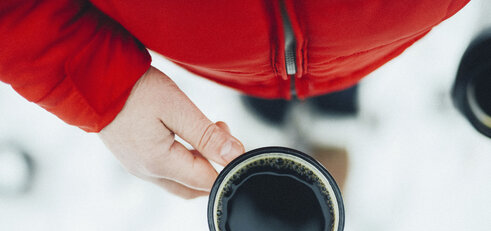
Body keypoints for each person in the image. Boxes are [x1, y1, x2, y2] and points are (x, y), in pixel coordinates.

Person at [0, 0, 470, 199]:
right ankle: (271, 106)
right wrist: (94, 77)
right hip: (221, 53)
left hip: (366, 38)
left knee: (342, 60)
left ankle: (330, 107)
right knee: (271, 78)